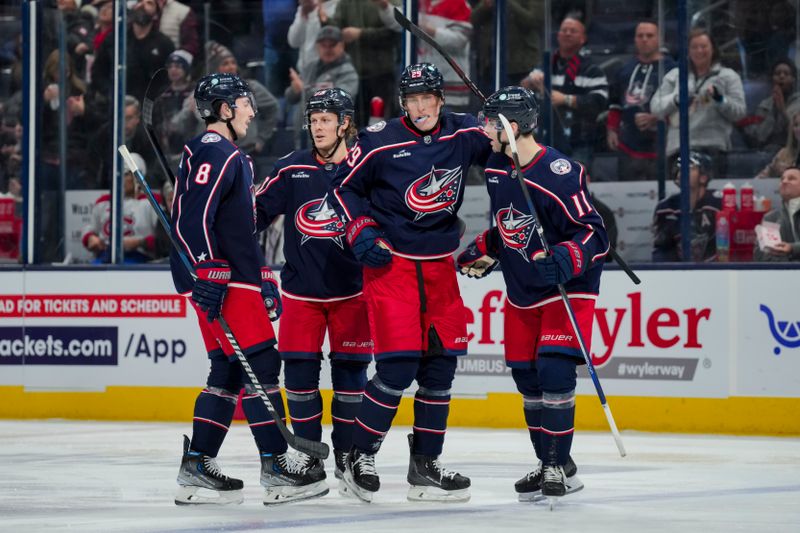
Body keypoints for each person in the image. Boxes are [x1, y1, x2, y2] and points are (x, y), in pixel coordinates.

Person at [329, 62, 492, 503]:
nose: (420, 108)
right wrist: (359, 228)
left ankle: (425, 466)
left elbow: (509, 151)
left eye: (427, 99)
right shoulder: (380, 139)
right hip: (392, 266)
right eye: (412, 101)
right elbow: (343, 188)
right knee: (398, 367)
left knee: (440, 369)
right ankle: (358, 456)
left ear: (442, 99)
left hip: (439, 268)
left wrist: (504, 120)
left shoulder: (465, 132)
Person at [171, 73, 326, 506]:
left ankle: (198, 464)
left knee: (230, 368)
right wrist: (206, 270)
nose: (251, 110)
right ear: (223, 109)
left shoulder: (226, 154)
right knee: (260, 364)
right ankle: (276, 465)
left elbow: (235, 228)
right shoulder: (215, 152)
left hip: (234, 279)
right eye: (243, 103)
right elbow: (191, 218)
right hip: (222, 282)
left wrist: (260, 277)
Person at [457, 85, 606, 503]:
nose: (484, 130)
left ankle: (558, 467)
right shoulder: (496, 168)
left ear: (513, 127)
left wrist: (569, 254)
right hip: (522, 290)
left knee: (555, 370)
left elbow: (596, 233)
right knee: (527, 375)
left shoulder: (560, 172)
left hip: (567, 288)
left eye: (491, 123)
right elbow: (513, 225)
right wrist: (488, 246)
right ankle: (551, 463)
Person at [255, 88, 371, 488]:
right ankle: (308, 457)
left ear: (344, 124)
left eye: (326, 120)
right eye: (313, 120)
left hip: (353, 294)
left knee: (351, 382)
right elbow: (253, 216)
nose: (317, 127)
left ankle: (347, 455)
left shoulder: (364, 168)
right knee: (300, 380)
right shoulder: (291, 168)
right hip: (302, 294)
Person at [650, 28, 746, 179]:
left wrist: (720, 99)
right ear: (688, 50)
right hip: (678, 148)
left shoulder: (728, 76)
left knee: (710, 199)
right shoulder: (675, 75)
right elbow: (656, 108)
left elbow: (739, 112)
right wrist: (676, 99)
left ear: (713, 49)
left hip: (713, 148)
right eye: (694, 47)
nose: (699, 51)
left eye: (704, 46)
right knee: (682, 198)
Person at [521, 11, 608, 166]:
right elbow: (522, 92)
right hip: (543, 140)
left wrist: (567, 99)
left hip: (578, 142)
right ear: (558, 35)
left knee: (574, 183)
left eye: (573, 31)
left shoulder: (592, 70)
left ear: (583, 38)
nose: (567, 34)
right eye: (564, 30)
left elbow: (599, 102)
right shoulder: (547, 65)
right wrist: (529, 82)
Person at [606, 20, 676, 181]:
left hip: (662, 148)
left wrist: (658, 118)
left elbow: (681, 106)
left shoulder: (673, 70)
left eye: (649, 35)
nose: (644, 39)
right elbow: (615, 103)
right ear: (635, 39)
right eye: (640, 36)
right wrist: (612, 129)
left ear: (659, 39)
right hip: (628, 147)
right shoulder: (625, 70)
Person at [329, 0, 402, 124]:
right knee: (352, 126)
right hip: (353, 74)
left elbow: (395, 34)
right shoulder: (344, 3)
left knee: (382, 126)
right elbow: (334, 31)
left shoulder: (390, 2)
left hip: (381, 74)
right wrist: (325, 21)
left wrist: (362, 34)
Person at [285, 26, 359, 149]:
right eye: (323, 45)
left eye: (332, 45)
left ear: (342, 46)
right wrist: (294, 90)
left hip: (335, 140)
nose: (327, 49)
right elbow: (290, 97)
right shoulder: (310, 67)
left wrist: (304, 90)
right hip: (305, 136)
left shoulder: (348, 72)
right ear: (317, 47)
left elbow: (340, 100)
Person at [81, 152, 159, 264]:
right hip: (105, 256)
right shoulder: (104, 202)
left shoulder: (152, 202)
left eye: (126, 173)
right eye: (118, 172)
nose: (120, 177)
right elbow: (90, 229)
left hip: (140, 259)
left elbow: (163, 240)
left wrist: (140, 242)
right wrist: (91, 238)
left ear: (138, 176)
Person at [651, 151, 722, 262]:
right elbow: (662, 250)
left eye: (689, 168)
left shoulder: (718, 203)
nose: (681, 172)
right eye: (679, 169)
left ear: (703, 177)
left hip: (715, 271)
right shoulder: (665, 208)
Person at [743, 59, 800, 154]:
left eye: (786, 74)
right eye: (777, 74)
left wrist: (782, 110)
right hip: (767, 152)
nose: (781, 76)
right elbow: (759, 137)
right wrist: (773, 110)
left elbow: (796, 134)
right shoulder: (764, 105)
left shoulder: (798, 103)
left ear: (793, 79)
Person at [753, 166, 800, 261]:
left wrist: (792, 248)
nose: (784, 181)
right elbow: (761, 256)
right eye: (782, 179)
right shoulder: (771, 218)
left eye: (791, 178)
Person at [757, 108, 800, 178]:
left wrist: (789, 171)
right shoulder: (784, 153)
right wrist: (774, 172)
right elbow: (761, 177)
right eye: (796, 125)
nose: (799, 129)